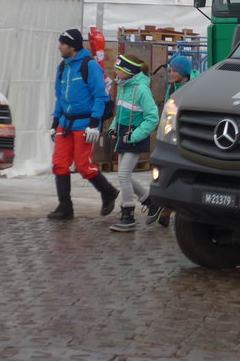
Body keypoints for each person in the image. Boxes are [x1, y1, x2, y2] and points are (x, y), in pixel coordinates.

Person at [48, 29, 118, 219]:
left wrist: (95, 124)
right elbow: (59, 97)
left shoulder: (90, 66)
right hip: (65, 123)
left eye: (62, 43)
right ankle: (65, 207)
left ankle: (108, 191)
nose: (59, 47)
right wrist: (55, 122)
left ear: (72, 46)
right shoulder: (62, 67)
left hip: (84, 124)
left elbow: (100, 97)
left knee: (82, 165)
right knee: (59, 164)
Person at [106, 53, 161, 232]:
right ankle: (150, 201)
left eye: (119, 70)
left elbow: (152, 117)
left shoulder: (142, 90)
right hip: (124, 134)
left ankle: (127, 215)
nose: (116, 72)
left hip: (134, 136)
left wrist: (135, 135)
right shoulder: (123, 86)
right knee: (126, 175)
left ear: (128, 72)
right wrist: (114, 128)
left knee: (123, 175)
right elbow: (120, 112)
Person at [155, 54, 193, 229]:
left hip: (185, 138)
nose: (169, 74)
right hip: (172, 135)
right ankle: (165, 211)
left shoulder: (190, 89)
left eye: (173, 71)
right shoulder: (173, 88)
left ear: (183, 72)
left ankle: (168, 211)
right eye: (169, 70)